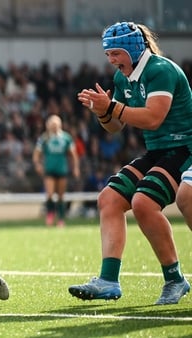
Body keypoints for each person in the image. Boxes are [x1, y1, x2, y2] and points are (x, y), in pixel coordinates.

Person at [70, 21, 192, 305]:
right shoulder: (123, 78)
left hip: (185, 147)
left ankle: (175, 279)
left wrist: (111, 107)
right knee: (109, 199)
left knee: (143, 203)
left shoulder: (160, 71)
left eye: (116, 54)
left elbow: (152, 118)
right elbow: (115, 127)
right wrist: (102, 112)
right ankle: (108, 281)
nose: (112, 60)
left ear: (134, 50)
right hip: (158, 150)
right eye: (108, 55)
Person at [32, 115, 80, 227]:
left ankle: (61, 219)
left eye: (56, 124)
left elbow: (73, 154)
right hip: (49, 169)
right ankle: (50, 214)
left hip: (62, 169)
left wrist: (75, 167)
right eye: (52, 124)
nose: (54, 126)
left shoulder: (66, 138)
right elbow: (36, 153)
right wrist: (37, 164)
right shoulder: (44, 138)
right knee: (49, 194)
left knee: (61, 196)